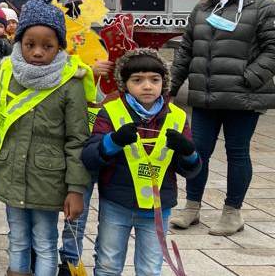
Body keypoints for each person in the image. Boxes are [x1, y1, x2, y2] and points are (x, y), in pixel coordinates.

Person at [0, 0, 93, 276]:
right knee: (16, 239)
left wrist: (76, 189)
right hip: (11, 174)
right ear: (19, 43)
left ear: (60, 47)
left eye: (47, 46)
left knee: (45, 242)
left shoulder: (70, 82)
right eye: (30, 45)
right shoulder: (7, 73)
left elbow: (77, 139)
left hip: (49, 179)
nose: (38, 52)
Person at [168, 0, 275, 236]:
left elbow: (272, 50)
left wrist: (249, 78)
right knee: (197, 150)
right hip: (205, 95)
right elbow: (186, 49)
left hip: (243, 96)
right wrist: (171, 87)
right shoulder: (203, 6)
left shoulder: (263, 7)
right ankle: (191, 207)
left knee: (237, 153)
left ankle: (232, 212)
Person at [81, 49, 201, 276]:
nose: (147, 86)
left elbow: (192, 170)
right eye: (137, 80)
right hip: (117, 203)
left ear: (164, 83)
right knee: (108, 265)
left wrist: (189, 153)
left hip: (158, 208)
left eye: (154, 80)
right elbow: (90, 157)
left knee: (150, 268)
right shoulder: (110, 112)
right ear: (124, 84)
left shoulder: (177, 116)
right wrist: (113, 142)